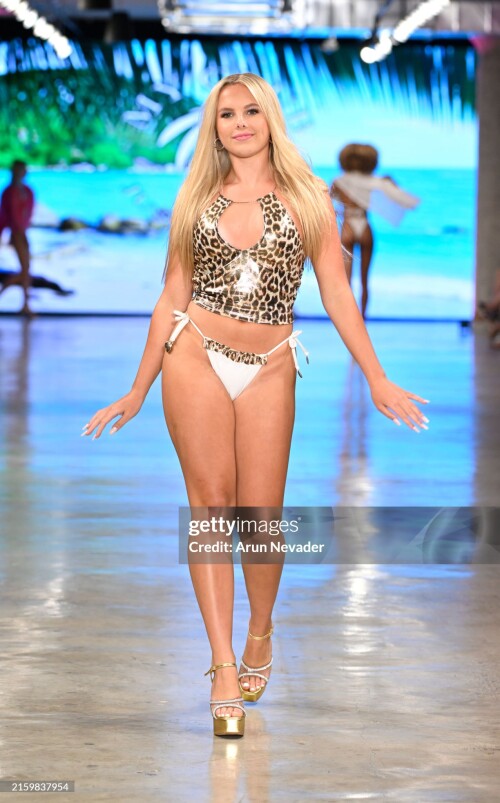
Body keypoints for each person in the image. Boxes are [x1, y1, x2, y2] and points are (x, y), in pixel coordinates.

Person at [82, 74, 430, 739]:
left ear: (269, 118)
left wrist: (378, 376)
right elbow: (171, 296)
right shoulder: (196, 197)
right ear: (213, 128)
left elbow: (336, 290)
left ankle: (260, 630)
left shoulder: (308, 198)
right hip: (195, 353)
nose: (239, 122)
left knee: (261, 517)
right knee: (210, 509)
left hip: (271, 364)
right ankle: (219, 665)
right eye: (226, 115)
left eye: (250, 111)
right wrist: (139, 384)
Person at [330, 143, 420, 319]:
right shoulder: (375, 181)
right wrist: (391, 183)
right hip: (364, 226)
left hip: (347, 225)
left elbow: (326, 204)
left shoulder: (339, 181)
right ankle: (362, 318)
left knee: (345, 281)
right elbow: (406, 201)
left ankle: (347, 319)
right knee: (365, 279)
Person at [0, 160, 35, 316]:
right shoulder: (9, 192)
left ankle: (25, 304)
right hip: (15, 232)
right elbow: (6, 216)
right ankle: (22, 301)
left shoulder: (27, 191)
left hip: (22, 231)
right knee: (25, 269)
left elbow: (28, 212)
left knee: (26, 269)